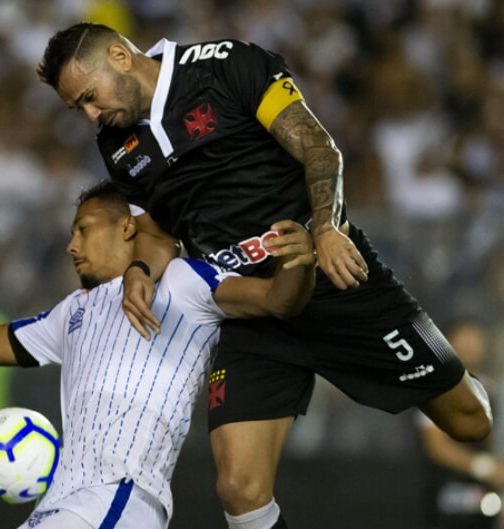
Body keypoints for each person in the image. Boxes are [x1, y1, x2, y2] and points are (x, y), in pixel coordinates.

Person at [37, 22, 492, 529]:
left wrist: (325, 229)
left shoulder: (227, 65)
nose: (91, 115)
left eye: (90, 98)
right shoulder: (116, 143)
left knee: (471, 421)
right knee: (239, 488)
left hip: (329, 275)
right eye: (79, 108)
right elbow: (158, 228)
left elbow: (319, 147)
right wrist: (142, 269)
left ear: (120, 57)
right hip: (249, 307)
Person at [0, 181, 316, 529]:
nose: (71, 245)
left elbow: (276, 301)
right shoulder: (70, 313)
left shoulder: (183, 283)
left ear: (127, 229)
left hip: (119, 496)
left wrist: (302, 255)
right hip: (65, 506)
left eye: (83, 229)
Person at [418, 317, 503, 529]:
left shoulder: (491, 389)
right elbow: (436, 446)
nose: (469, 345)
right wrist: (484, 467)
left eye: (474, 338)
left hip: (487, 496)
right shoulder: (436, 386)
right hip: (448, 491)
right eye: (462, 337)